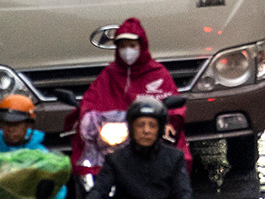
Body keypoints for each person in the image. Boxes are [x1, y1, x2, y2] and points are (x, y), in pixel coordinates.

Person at [73, 20, 185, 180]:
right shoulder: (109, 74)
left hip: (150, 137)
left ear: (142, 45)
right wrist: (84, 118)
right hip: (114, 142)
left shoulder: (158, 73)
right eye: (123, 46)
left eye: (132, 45)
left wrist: (169, 122)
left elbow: (173, 103)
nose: (127, 51)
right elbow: (90, 101)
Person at [88, 95, 192, 199]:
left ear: (160, 129)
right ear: (132, 128)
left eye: (152, 125)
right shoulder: (116, 159)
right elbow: (99, 190)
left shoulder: (174, 157)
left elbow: (183, 192)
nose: (146, 131)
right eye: (140, 125)